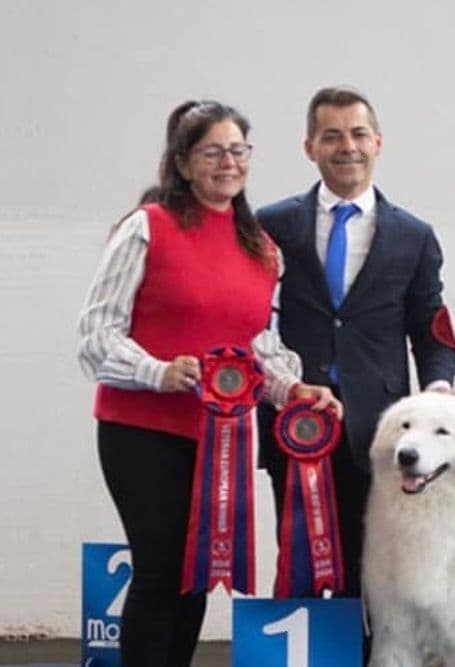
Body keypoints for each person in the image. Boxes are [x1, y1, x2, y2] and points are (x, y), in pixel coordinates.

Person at [78, 100, 340, 667]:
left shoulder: (262, 248)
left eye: (238, 150)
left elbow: (258, 347)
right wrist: (159, 372)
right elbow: (96, 334)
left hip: (218, 439)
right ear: (182, 162)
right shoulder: (147, 227)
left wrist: (292, 390)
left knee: (196, 575)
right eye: (212, 152)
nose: (228, 162)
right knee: (160, 571)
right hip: (140, 432)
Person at [255, 86, 455, 598]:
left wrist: (438, 387)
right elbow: (254, 317)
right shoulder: (271, 226)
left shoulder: (413, 235)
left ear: (378, 142)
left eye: (358, 134)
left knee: (372, 573)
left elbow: (431, 325)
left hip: (379, 428)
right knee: (298, 563)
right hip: (294, 419)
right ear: (309, 147)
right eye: (331, 136)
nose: (347, 147)